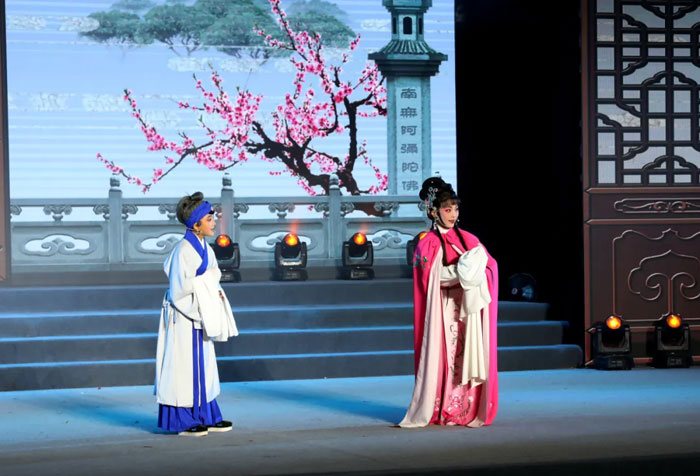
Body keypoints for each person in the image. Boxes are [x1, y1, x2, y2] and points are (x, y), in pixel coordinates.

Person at [399, 177, 499, 428]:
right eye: (447, 209)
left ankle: (468, 408)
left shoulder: (469, 239)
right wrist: (464, 272)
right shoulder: (428, 244)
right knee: (446, 358)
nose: (453, 214)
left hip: (468, 310)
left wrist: (476, 272)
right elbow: (430, 279)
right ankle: (443, 407)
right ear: (434, 212)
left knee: (467, 356)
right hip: (443, 310)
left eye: (455, 209)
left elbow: (491, 266)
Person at [155, 192, 239, 436]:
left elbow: (212, 278)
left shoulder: (205, 248)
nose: (214, 222)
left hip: (201, 313)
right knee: (182, 369)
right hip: (184, 316)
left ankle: (207, 415)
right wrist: (204, 299)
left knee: (205, 367)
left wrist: (212, 295)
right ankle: (182, 420)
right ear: (196, 224)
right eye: (209, 219)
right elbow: (180, 291)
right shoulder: (183, 250)